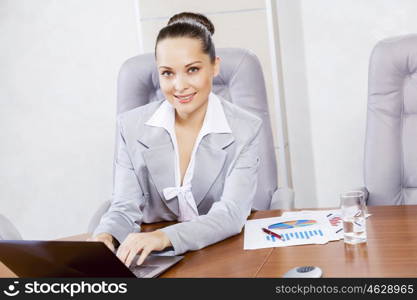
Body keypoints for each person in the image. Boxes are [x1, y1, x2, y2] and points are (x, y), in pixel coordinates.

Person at [92, 12, 262, 267]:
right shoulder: (130, 126)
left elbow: (231, 214)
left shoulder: (246, 128)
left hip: (223, 255)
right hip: (153, 260)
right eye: (167, 73)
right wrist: (105, 235)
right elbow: (124, 205)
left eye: (192, 69)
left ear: (215, 66)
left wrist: (164, 237)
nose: (179, 86)